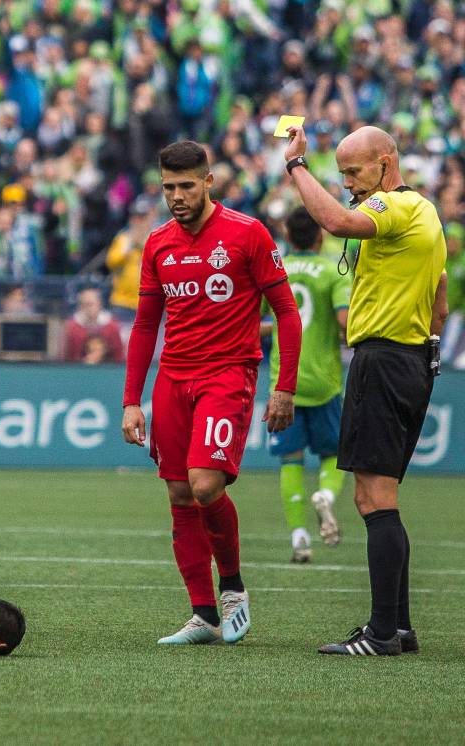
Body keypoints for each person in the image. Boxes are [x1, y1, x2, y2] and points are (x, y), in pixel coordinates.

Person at [121, 141, 302, 646]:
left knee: (205, 486)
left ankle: (233, 588)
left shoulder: (247, 234)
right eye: (167, 188)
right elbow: (144, 325)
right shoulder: (157, 243)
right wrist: (131, 399)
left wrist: (284, 387)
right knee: (179, 493)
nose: (176, 196)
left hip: (228, 374)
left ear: (208, 182)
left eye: (185, 186)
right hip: (173, 379)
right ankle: (202, 614)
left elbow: (287, 313)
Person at [285, 124, 447, 656]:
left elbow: (334, 220)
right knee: (383, 498)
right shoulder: (428, 215)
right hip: (412, 357)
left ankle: (380, 633)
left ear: (386, 162)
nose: (350, 183)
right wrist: (430, 343)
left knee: (372, 497)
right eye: (343, 174)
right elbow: (440, 292)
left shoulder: (395, 206)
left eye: (354, 172)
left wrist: (297, 167)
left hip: (383, 359)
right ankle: (398, 629)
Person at [261, 208, 351, 563]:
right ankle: (326, 496)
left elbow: (255, 322)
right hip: (324, 381)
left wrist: (279, 328)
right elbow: (345, 323)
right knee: (333, 454)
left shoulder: (276, 268)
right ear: (320, 235)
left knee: (290, 461)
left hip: (285, 384)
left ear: (287, 234)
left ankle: (299, 538)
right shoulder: (333, 270)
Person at [61, 287, 125, 363]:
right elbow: (68, 357)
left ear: (99, 304)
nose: (88, 308)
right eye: (84, 305)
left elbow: (118, 356)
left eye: (91, 304)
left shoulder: (112, 327)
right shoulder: (72, 328)